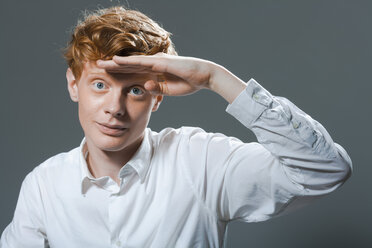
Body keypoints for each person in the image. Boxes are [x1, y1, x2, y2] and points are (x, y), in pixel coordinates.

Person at [0, 6, 352, 248]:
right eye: (100, 85)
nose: (115, 109)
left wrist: (215, 78)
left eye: (135, 90)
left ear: (158, 98)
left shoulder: (199, 162)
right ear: (73, 85)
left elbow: (325, 170)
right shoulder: (43, 186)